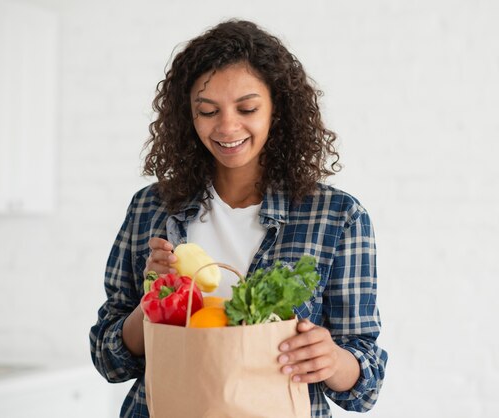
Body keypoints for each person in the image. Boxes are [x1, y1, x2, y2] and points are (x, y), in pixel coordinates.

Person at [89, 19, 387, 418]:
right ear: (188, 117)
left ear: (276, 109)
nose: (227, 126)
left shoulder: (336, 217)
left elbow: (365, 384)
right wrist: (153, 304)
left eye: (247, 108)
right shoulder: (151, 208)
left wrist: (331, 360)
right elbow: (108, 358)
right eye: (208, 111)